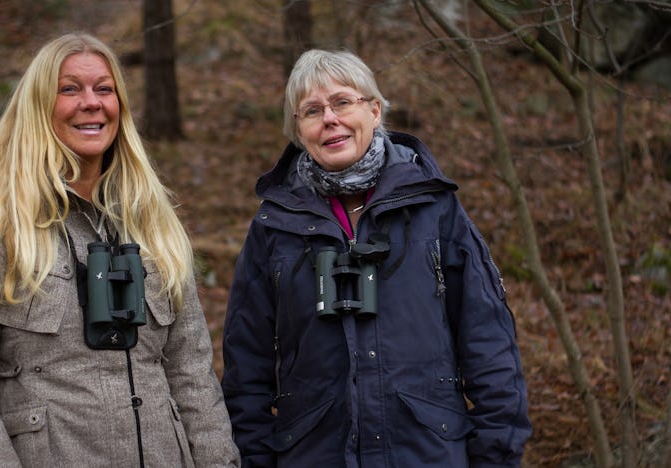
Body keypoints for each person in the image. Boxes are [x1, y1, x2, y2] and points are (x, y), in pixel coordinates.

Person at [0, 32, 240, 468]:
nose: (91, 102)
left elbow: (192, 375)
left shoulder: (152, 224)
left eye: (104, 89)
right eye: (69, 89)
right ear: (38, 108)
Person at [221, 49, 532, 467]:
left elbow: (488, 343)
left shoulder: (433, 208)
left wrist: (495, 455)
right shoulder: (275, 226)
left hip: (427, 453)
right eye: (311, 110)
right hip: (313, 454)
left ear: (374, 110)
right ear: (298, 130)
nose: (329, 118)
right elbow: (246, 365)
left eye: (343, 102)